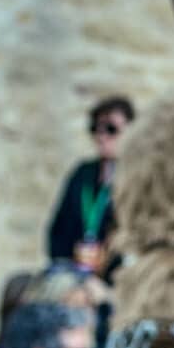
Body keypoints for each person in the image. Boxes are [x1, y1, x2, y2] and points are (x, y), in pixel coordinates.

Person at [43, 96, 133, 273]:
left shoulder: (138, 177)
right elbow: (57, 230)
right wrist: (73, 254)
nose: (101, 136)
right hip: (76, 271)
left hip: (118, 277)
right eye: (95, 129)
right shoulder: (82, 174)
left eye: (111, 129)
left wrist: (108, 258)